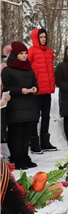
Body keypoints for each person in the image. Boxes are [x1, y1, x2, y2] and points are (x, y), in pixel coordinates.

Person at [1, 41, 39, 170]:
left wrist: (34, 88)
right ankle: (16, 158)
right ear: (15, 55)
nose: (24, 56)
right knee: (16, 134)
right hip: (15, 106)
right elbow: (5, 88)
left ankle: (25, 156)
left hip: (29, 104)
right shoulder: (7, 70)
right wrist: (20, 91)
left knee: (26, 133)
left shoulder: (29, 68)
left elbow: (35, 83)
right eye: (21, 53)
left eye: (25, 53)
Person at [27, 28, 57, 153]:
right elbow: (28, 69)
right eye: (41, 37)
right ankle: (34, 143)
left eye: (45, 37)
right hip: (36, 90)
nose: (43, 39)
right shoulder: (31, 51)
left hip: (47, 90)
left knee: (46, 116)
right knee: (35, 117)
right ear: (36, 38)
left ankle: (45, 142)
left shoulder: (50, 52)